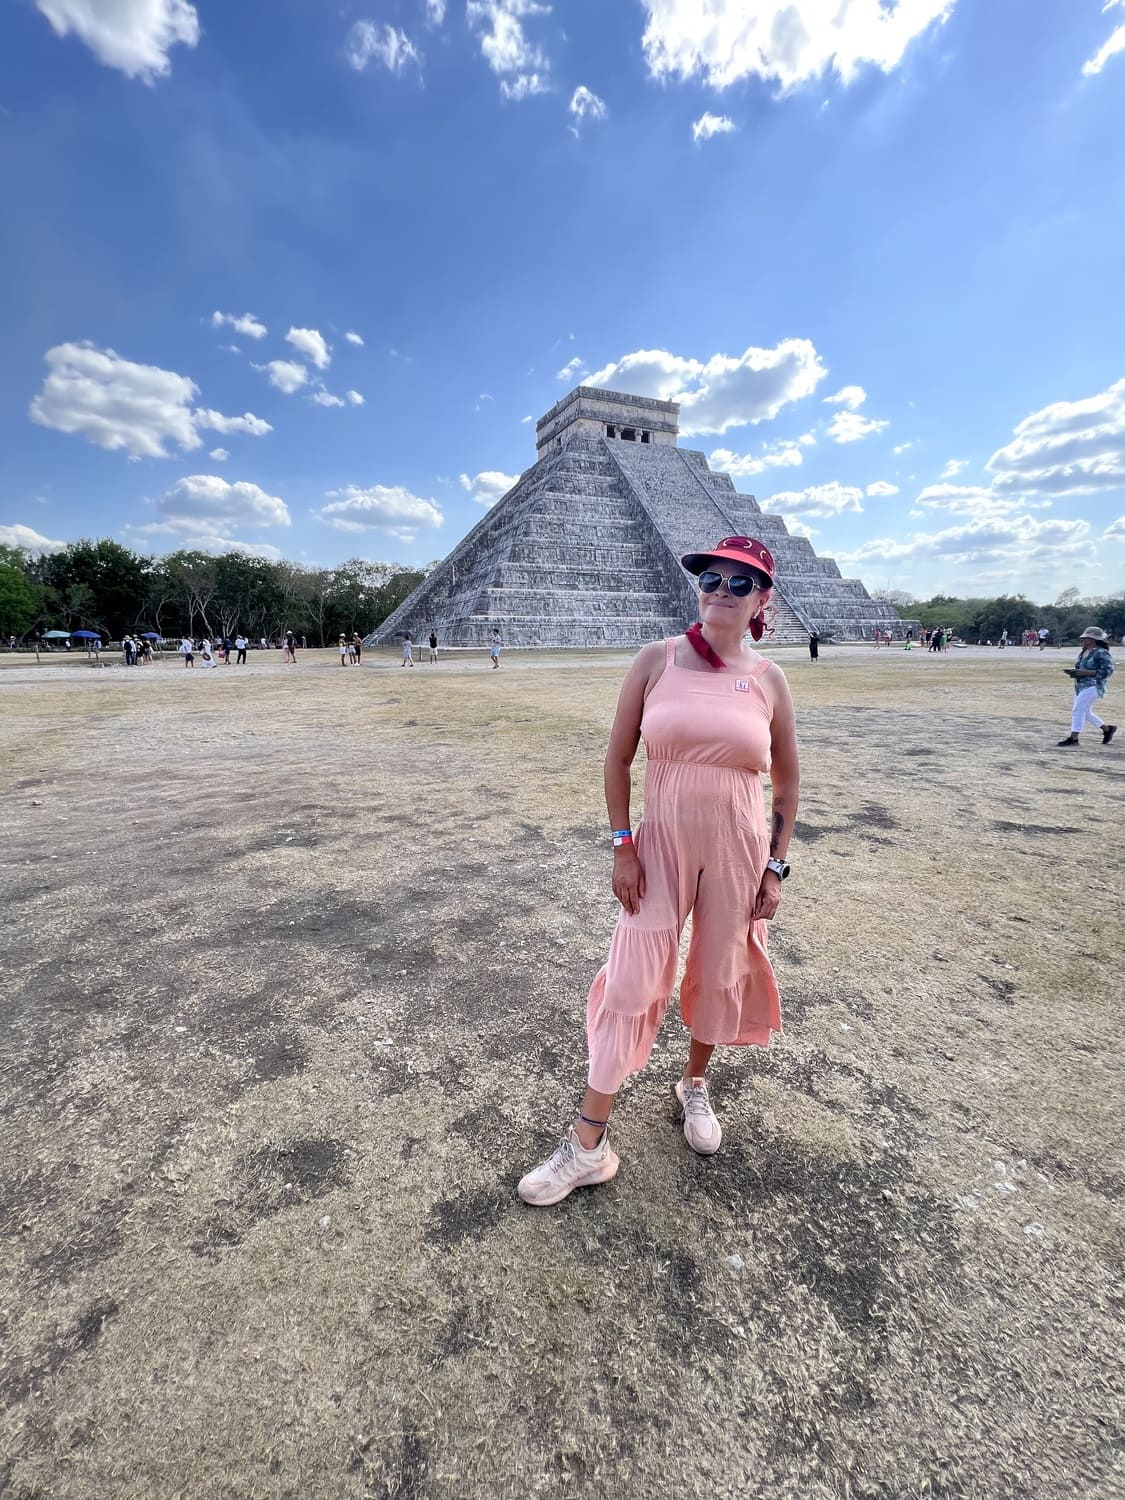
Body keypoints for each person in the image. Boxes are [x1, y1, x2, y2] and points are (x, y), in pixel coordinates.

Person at [518, 536, 799, 1207]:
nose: (719, 590)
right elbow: (617, 760)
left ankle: (693, 1084)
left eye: (739, 583)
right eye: (710, 577)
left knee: (719, 969)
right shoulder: (656, 660)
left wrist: (775, 868)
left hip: (737, 846)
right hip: (660, 842)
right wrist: (622, 843)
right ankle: (587, 1143)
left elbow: (786, 785)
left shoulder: (768, 679)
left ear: (762, 599)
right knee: (632, 981)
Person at [1057, 627, 1115, 747]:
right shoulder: (1084, 651)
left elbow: (1108, 671)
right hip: (1081, 685)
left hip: (1094, 685)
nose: (1083, 640)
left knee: (1077, 710)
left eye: (1086, 638)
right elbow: (1081, 667)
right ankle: (1107, 729)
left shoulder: (1101, 652)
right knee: (1085, 711)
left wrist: (1086, 672)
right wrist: (1075, 672)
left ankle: (1074, 738)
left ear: (1094, 639)